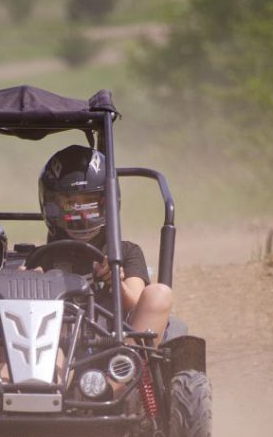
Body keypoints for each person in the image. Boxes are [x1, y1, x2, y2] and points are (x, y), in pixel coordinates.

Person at [37, 144, 173, 345]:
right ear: (52, 207)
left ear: (106, 203)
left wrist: (116, 282)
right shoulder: (43, 257)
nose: (82, 215)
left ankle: (128, 370)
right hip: (60, 347)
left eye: (89, 202)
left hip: (118, 346)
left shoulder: (126, 252)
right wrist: (31, 281)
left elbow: (136, 302)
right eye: (71, 204)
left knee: (160, 294)